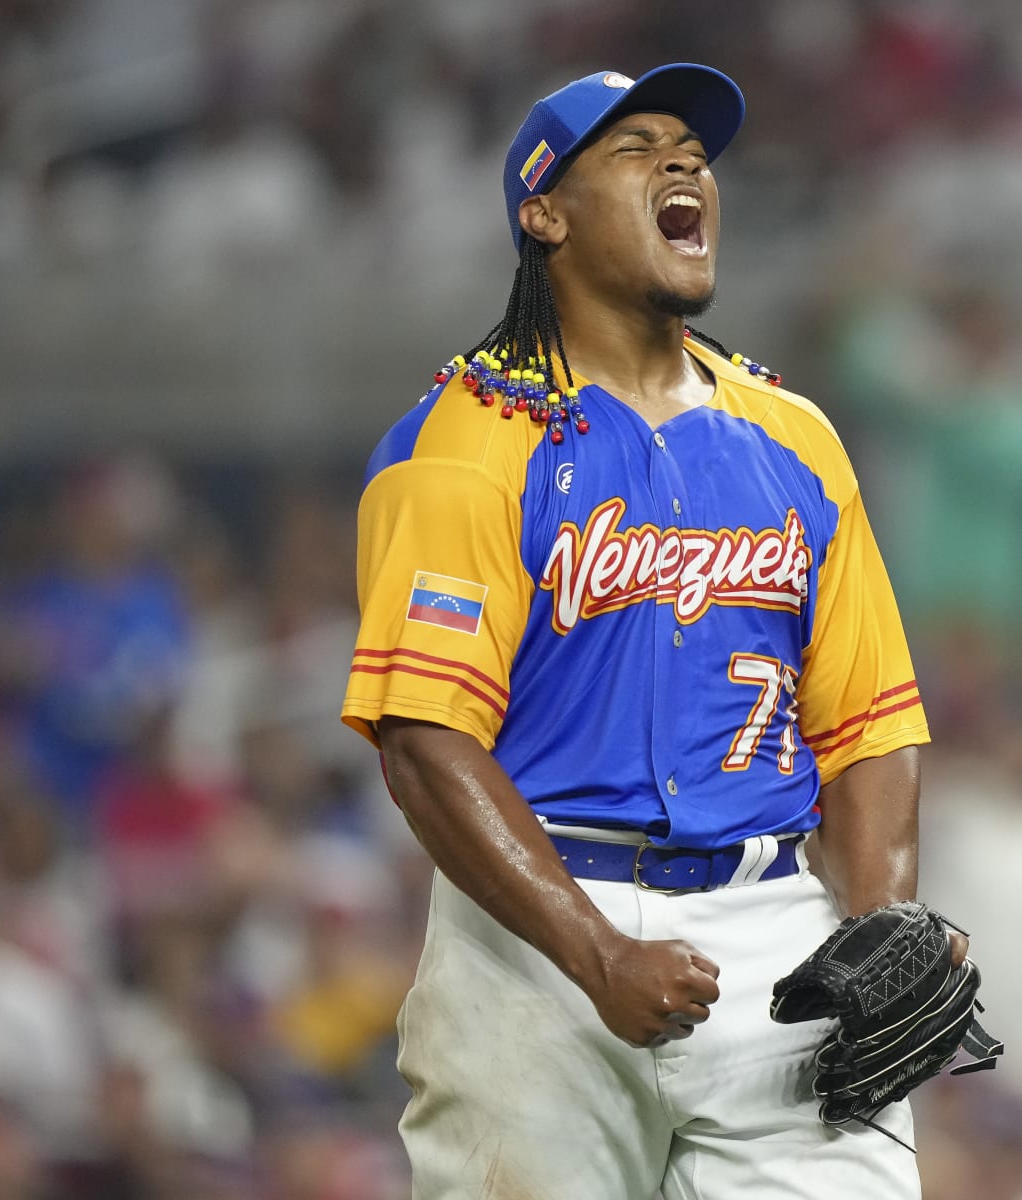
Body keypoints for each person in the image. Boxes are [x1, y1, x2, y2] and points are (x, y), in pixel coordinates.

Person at [340, 64, 961, 1198]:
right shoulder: (464, 442)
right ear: (546, 214)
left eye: (693, 151)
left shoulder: (795, 436)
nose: (683, 163)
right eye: (634, 148)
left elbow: (869, 723)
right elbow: (425, 742)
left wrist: (882, 928)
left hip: (782, 929)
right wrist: (595, 952)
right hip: (537, 938)